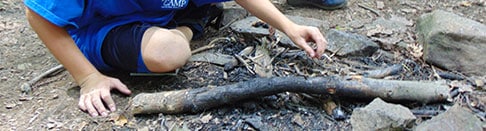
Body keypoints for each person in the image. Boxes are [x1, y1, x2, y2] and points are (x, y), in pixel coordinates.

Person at [24, 0, 328, 117]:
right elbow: (37, 13)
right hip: (100, 30)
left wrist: (288, 27)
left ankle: (192, 16)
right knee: (169, 52)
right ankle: (189, 27)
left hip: (158, 13)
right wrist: (88, 77)